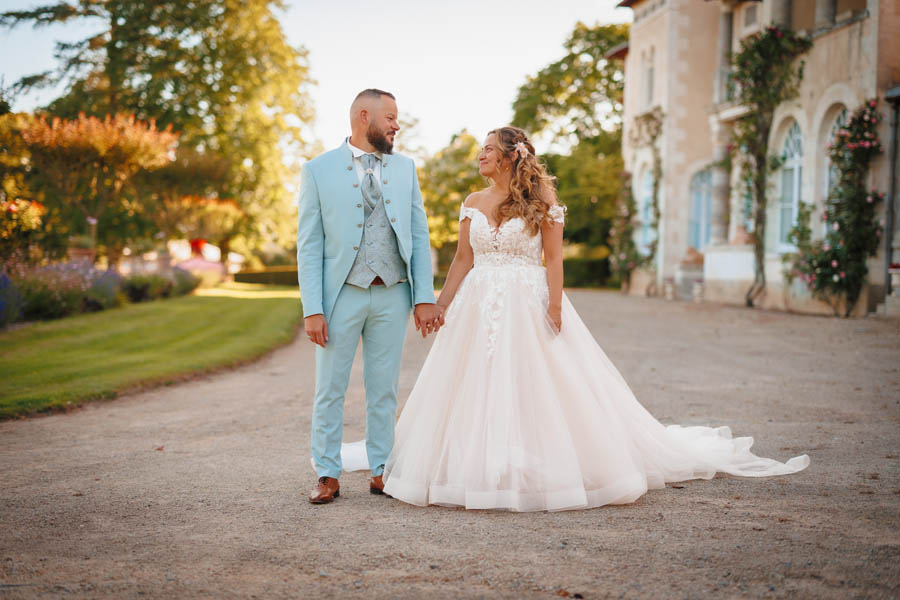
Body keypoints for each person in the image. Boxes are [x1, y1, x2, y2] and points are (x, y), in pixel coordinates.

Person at [376, 126, 809, 512]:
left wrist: (555, 306)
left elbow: (554, 258)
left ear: (512, 156)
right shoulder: (472, 202)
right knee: (473, 384)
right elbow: (463, 259)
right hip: (478, 302)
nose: (481, 155)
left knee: (534, 383)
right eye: (481, 150)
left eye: (489, 149)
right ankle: (473, 464)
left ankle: (532, 464)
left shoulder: (541, 200)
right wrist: (440, 305)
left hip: (527, 301)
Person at [297, 88, 444, 504]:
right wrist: (313, 309)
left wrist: (422, 297)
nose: (397, 125)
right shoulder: (318, 170)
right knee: (330, 387)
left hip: (393, 293)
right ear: (365, 116)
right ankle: (327, 472)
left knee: (384, 388)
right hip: (341, 294)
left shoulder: (406, 168)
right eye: (391, 118)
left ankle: (381, 469)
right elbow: (309, 245)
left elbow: (418, 233)